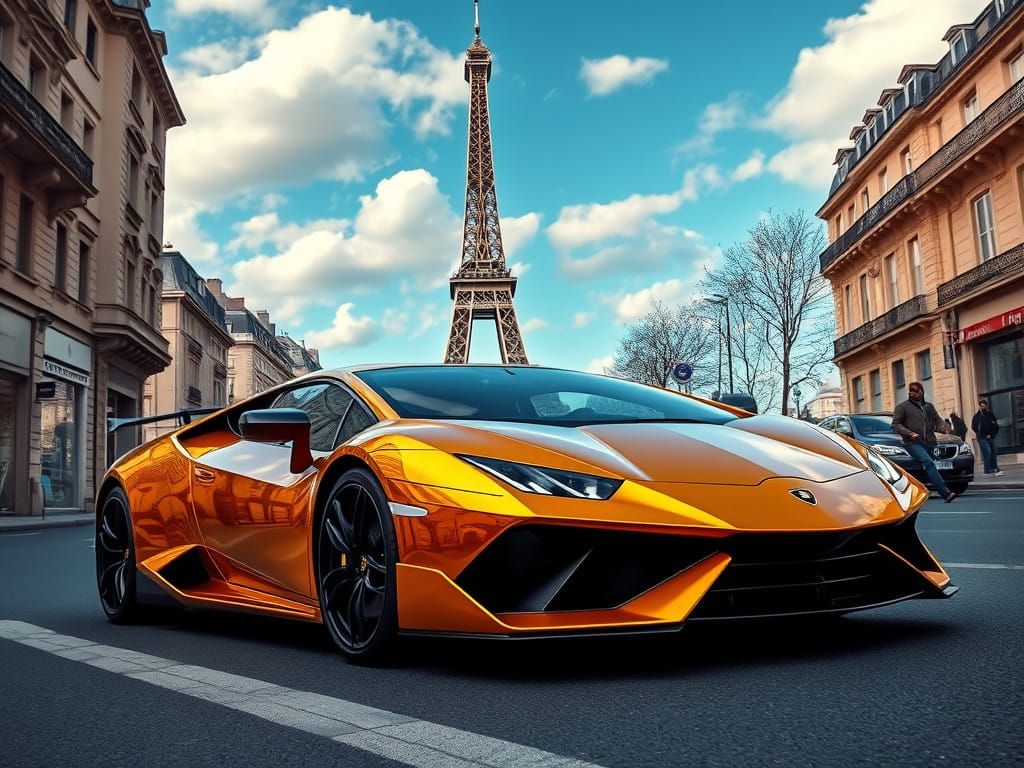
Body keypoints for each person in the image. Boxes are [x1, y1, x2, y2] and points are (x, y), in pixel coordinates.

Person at [892, 381, 957, 502]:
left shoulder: (929, 407)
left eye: (915, 390)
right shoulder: (902, 407)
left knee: (926, 467)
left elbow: (937, 420)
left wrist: (943, 427)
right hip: (912, 443)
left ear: (921, 391)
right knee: (928, 463)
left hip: (930, 443)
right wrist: (909, 433)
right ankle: (945, 492)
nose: (911, 392)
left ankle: (916, 492)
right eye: (910, 390)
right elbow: (895, 424)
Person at [972, 398, 1002, 476]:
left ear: (987, 406)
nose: (983, 408)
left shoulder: (990, 415)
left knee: (993, 451)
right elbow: (974, 427)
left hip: (990, 436)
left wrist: (992, 434)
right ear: (979, 406)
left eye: (984, 406)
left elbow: (996, 425)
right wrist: (981, 433)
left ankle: (995, 468)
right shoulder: (977, 416)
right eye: (981, 406)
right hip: (982, 437)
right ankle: (987, 469)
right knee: (987, 452)